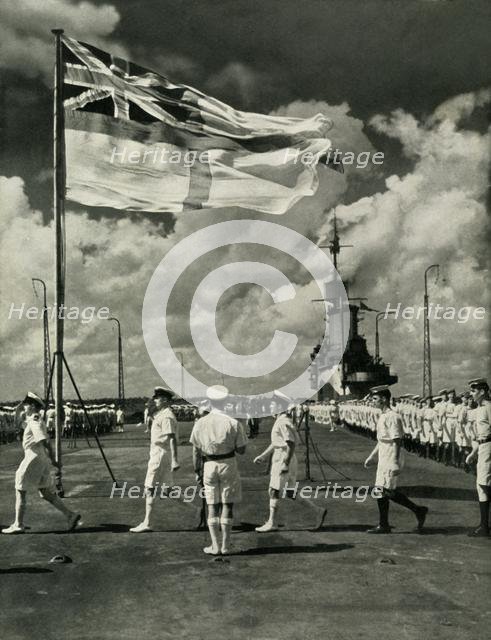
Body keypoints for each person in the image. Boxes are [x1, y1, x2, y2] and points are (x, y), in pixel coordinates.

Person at [2, 392, 82, 534]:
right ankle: (70, 515)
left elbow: (45, 441)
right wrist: (19, 408)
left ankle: (18, 524)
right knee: (45, 492)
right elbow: (19, 422)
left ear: (32, 405)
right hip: (40, 458)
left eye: (26, 404)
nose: (24, 407)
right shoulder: (34, 419)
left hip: (33, 458)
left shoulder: (34, 422)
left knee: (20, 489)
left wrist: (54, 460)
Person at [189, 385, 247, 555]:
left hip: (208, 465)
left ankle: (215, 546)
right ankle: (226, 546)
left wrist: (196, 471)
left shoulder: (200, 422)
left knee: (212, 504)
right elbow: (241, 450)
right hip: (228, 463)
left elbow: (195, 451)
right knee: (227, 504)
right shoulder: (233, 422)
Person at [364, 385, 428, 534]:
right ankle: (384, 524)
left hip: (392, 454)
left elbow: (397, 440)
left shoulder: (393, 416)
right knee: (380, 490)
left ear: (384, 399)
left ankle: (418, 510)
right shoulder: (383, 416)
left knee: (387, 490)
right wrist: (372, 456)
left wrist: (394, 461)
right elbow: (381, 441)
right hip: (384, 453)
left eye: (375, 399)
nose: (372, 401)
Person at [130, 387, 179, 533]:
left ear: (165, 400)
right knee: (168, 490)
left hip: (160, 454)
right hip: (159, 453)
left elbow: (172, 439)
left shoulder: (166, 416)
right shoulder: (162, 414)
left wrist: (175, 460)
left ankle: (147, 523)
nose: (155, 400)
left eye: (157, 398)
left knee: (149, 488)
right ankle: (197, 510)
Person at [254, 392, 301, 532]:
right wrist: (263, 455)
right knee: (289, 493)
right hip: (283, 456)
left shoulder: (283, 422)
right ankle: (317, 511)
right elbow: (276, 443)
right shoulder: (282, 420)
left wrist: (285, 463)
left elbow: (290, 444)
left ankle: (272, 523)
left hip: (284, 457)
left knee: (274, 490)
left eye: (272, 404)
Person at [465, 378, 491, 537]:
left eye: (474, 391)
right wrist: (473, 453)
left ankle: (484, 526)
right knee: (481, 484)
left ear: (482, 391)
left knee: (484, 483)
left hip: (489, 447)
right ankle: (484, 525)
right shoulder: (480, 409)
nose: (471, 393)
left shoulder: (489, 408)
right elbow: (478, 435)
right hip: (482, 448)